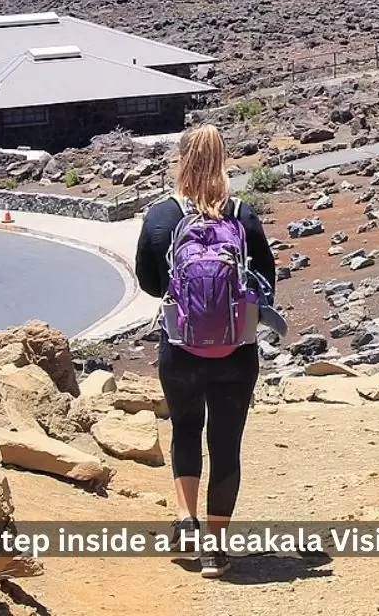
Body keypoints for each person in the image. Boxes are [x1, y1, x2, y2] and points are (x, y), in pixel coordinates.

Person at [135, 124, 276, 580]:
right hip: (237, 352)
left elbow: (150, 283)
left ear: (180, 161)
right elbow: (267, 282)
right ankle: (215, 551)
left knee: (185, 430)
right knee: (226, 444)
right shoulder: (243, 216)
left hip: (180, 349)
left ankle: (184, 517)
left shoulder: (161, 217)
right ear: (222, 161)